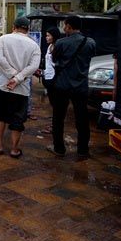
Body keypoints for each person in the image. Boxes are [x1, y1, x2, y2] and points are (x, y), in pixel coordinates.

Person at [0, 17, 41, 158]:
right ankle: (15, 149)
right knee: (18, 118)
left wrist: (12, 75)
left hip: (1, 84)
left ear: (14, 26)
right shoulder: (34, 45)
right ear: (28, 29)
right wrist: (18, 78)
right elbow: (34, 66)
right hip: (21, 88)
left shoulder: (3, 39)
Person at [49, 16, 96, 159]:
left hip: (62, 86)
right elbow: (90, 57)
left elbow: (54, 59)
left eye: (65, 26)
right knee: (82, 119)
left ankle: (59, 148)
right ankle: (82, 149)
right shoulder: (90, 42)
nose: (64, 29)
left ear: (69, 26)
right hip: (81, 87)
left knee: (58, 118)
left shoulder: (62, 43)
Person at [37, 27, 62, 134]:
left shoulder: (57, 47)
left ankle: (55, 126)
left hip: (53, 80)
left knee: (56, 104)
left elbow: (57, 65)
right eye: (46, 35)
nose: (46, 37)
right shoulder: (50, 46)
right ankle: (54, 124)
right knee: (53, 103)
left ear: (54, 36)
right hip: (47, 77)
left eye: (48, 35)